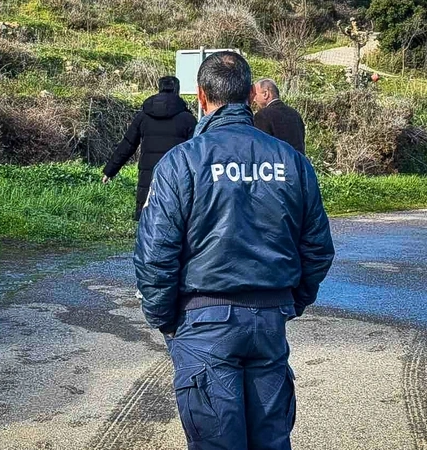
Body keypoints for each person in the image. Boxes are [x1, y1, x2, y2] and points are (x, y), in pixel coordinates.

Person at [134, 52, 335, 450]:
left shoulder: (181, 162)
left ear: (201, 96)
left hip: (202, 321)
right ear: (248, 95)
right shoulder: (292, 162)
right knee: (271, 441)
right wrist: (289, 301)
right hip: (269, 322)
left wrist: (165, 320)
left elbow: (155, 254)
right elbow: (317, 248)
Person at [102, 76, 197, 221]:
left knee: (147, 221)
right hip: (175, 178)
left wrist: (110, 170)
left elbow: (127, 144)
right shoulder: (187, 119)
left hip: (148, 179)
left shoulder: (143, 117)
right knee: (174, 221)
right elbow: (196, 153)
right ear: (177, 90)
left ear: (159, 88)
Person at [253, 79, 306, 154]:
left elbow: (262, 148)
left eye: (255, 95)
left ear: (265, 94)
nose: (254, 100)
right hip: (298, 160)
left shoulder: (262, 115)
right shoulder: (295, 114)